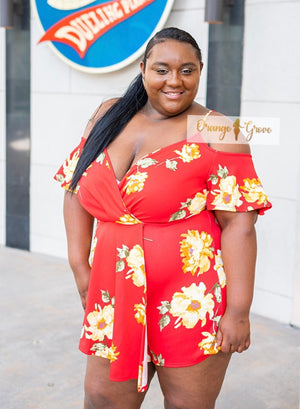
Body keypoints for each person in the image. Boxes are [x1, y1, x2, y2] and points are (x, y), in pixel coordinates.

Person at [54, 27, 272, 409]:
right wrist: (79, 265)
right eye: (162, 70)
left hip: (189, 298)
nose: (175, 81)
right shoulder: (111, 113)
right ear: (142, 69)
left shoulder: (218, 128)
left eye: (187, 70)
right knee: (103, 398)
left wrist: (238, 311)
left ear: (200, 71)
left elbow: (239, 225)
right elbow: (76, 188)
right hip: (115, 290)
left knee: (187, 403)